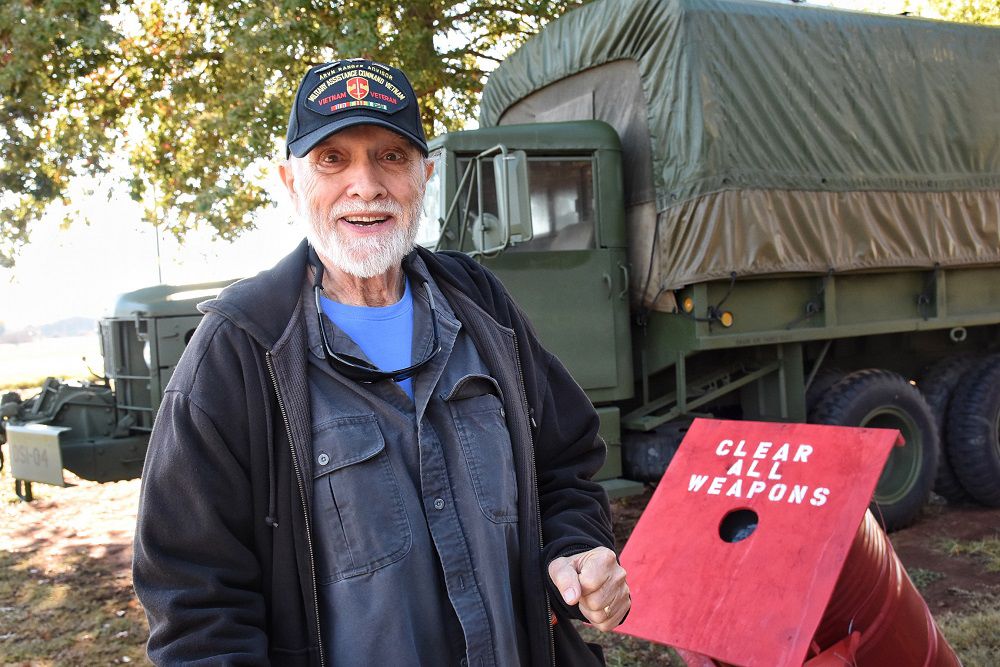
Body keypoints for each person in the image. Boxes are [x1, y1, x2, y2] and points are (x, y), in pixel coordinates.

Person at [132, 58, 630, 666]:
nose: (365, 185)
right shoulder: (240, 348)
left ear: (424, 174)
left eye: (391, 156)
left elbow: (563, 467)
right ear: (291, 182)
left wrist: (576, 551)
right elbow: (194, 600)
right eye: (332, 159)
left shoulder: (479, 304)